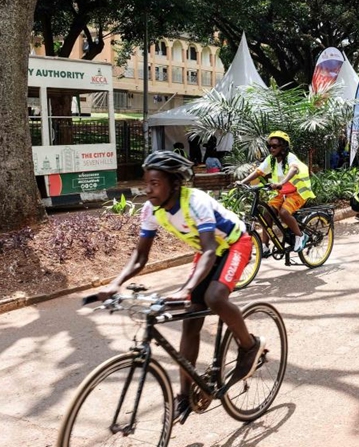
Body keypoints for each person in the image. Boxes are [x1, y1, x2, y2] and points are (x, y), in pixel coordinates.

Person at [99, 150, 262, 421]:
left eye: (155, 183)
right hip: (206, 251)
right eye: (146, 182)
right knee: (189, 321)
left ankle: (249, 345)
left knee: (215, 297)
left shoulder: (195, 201)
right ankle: (185, 395)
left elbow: (210, 251)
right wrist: (115, 284)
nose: (148, 189)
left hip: (233, 244)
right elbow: (140, 256)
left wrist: (185, 288)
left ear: (174, 183)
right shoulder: (151, 210)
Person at [238, 131, 314, 254]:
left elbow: (294, 169)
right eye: (269, 146)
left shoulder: (290, 157)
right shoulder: (271, 160)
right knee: (267, 212)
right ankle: (265, 246)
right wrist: (242, 182)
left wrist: (281, 183)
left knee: (284, 213)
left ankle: (300, 236)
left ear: (283, 146)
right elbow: (258, 172)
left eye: (275, 146)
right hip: (283, 193)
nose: (271, 149)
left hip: (298, 193)